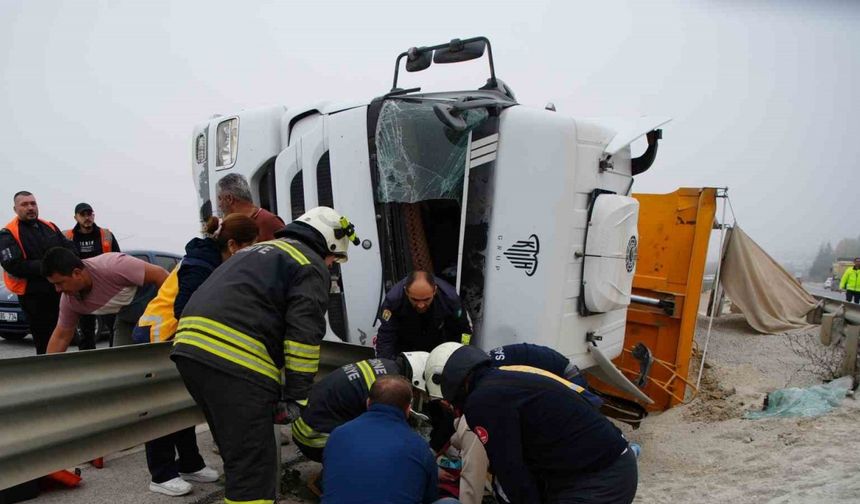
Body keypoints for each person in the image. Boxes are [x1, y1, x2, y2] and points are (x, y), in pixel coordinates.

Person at [171, 207, 360, 504]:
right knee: (253, 471)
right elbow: (303, 337)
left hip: (190, 351)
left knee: (238, 458)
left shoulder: (260, 250)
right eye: (334, 258)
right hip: (235, 361)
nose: (331, 265)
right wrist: (297, 397)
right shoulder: (309, 263)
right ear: (329, 245)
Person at [132, 214, 258, 496]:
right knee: (163, 406)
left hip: (179, 337)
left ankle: (189, 462)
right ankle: (161, 474)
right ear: (235, 245)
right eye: (251, 246)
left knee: (184, 403)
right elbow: (186, 309)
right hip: (159, 335)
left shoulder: (216, 260)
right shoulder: (201, 263)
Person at [437, 345, 638, 504]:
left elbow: (511, 468)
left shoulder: (483, 401)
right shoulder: (502, 381)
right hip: (606, 465)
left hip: (600, 477)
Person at [322, 375, 458, 504]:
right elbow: (429, 497)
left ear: (368, 402)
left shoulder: (337, 435)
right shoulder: (418, 446)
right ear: (408, 410)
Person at [291, 352, 429, 463]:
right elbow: (386, 432)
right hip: (315, 438)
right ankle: (338, 479)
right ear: (417, 379)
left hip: (304, 425)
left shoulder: (386, 368)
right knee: (383, 448)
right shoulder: (389, 390)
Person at [42, 248, 169, 353]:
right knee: (122, 362)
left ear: (76, 273)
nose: (57, 290)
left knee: (161, 355)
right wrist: (46, 373)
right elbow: (61, 337)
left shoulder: (114, 266)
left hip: (158, 311)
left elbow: (161, 275)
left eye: (60, 283)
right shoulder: (69, 301)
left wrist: (172, 315)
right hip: (127, 318)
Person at [0, 191, 77, 354]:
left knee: (62, 337)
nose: (30, 208)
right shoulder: (8, 233)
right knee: (44, 340)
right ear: (15, 209)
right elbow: (14, 265)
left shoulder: (49, 226)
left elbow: (68, 247)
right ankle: (47, 373)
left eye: (33, 203)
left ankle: (61, 371)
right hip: (33, 296)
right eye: (24, 204)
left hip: (58, 291)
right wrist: (50, 266)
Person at [376, 271, 472, 360]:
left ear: (434, 290)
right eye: (415, 300)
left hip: (437, 342)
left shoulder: (450, 299)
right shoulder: (393, 301)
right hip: (405, 342)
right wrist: (386, 364)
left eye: (426, 299)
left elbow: (464, 330)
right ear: (406, 291)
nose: (421, 305)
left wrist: (462, 352)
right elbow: (386, 336)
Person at [63, 202, 121, 350]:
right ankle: (87, 362)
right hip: (81, 289)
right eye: (83, 214)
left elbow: (118, 259)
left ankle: (114, 358)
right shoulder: (67, 237)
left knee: (114, 326)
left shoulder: (106, 235)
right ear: (75, 217)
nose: (87, 217)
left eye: (89, 214)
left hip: (105, 288)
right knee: (86, 330)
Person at [215, 173, 285, 241]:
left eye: (220, 199)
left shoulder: (269, 222)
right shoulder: (229, 227)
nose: (219, 205)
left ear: (229, 199)